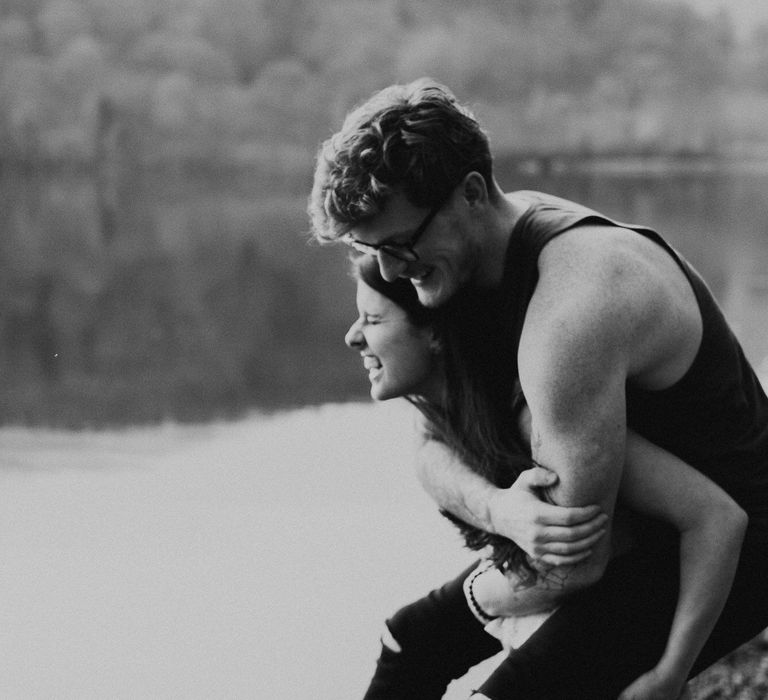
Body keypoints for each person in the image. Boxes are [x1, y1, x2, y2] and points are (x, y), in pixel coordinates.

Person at [308, 77, 768, 698]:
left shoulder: (572, 313)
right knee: (408, 644)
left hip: (716, 552)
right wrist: (498, 509)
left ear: (471, 192)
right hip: (620, 523)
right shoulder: (465, 254)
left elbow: (575, 563)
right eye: (373, 250)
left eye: (398, 245)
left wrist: (477, 595)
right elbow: (429, 441)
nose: (389, 272)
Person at [346, 254, 745, 699]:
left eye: (372, 319)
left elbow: (719, 518)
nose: (352, 336)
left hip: (649, 581)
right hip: (565, 574)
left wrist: (670, 672)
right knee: (408, 639)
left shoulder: (537, 419)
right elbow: (427, 453)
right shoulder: (450, 412)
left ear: (436, 332)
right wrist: (498, 515)